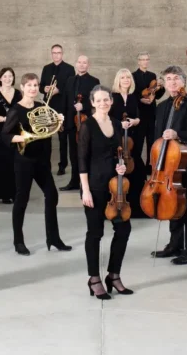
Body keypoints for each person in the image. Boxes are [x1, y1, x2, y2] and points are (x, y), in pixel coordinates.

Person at [2, 73, 71, 256]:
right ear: (23, 88)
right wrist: (25, 137)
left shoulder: (42, 106)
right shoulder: (15, 110)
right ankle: (18, 241)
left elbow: (50, 129)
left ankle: (53, 238)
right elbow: (5, 136)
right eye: (29, 85)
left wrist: (59, 122)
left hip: (42, 160)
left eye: (35, 85)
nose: (33, 88)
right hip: (24, 160)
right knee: (21, 200)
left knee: (52, 195)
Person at [78, 85, 133, 300]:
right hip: (94, 186)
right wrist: (85, 191)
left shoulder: (117, 124)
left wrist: (121, 167)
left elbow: (120, 154)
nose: (103, 103)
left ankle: (114, 275)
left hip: (116, 187)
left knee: (123, 230)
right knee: (95, 233)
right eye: (98, 100)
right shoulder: (87, 126)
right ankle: (94, 279)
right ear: (92, 102)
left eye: (106, 99)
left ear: (111, 101)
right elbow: (81, 160)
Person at [151, 66, 187, 265]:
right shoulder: (162, 106)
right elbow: (158, 137)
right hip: (167, 165)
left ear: (183, 81)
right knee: (171, 205)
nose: (172, 82)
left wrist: (178, 134)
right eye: (168, 79)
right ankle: (175, 245)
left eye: (175, 78)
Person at [109, 68, 147, 218]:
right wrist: (120, 124)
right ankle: (118, 205)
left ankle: (137, 207)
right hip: (117, 138)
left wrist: (134, 121)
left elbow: (138, 117)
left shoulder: (133, 97)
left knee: (138, 170)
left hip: (132, 140)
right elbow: (108, 117)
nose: (126, 80)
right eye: (123, 77)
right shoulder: (112, 97)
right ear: (118, 80)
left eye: (128, 78)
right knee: (118, 169)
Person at [60, 55, 100, 191]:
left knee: (86, 152)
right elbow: (65, 102)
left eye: (84, 63)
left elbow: (97, 101)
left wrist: (84, 107)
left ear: (88, 65)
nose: (82, 65)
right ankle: (74, 181)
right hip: (72, 123)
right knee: (73, 154)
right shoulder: (70, 80)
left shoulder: (94, 81)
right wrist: (62, 120)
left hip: (86, 123)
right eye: (79, 62)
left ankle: (88, 182)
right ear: (76, 64)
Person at [40, 44, 75, 175]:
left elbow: (70, 87)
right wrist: (45, 89)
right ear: (51, 54)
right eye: (54, 53)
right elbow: (41, 86)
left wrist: (58, 90)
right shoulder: (46, 68)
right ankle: (46, 165)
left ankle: (62, 165)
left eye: (58, 52)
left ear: (62, 54)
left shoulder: (70, 69)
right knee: (46, 137)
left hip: (63, 107)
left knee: (62, 138)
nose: (56, 55)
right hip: (48, 107)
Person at [0, 67, 22, 203]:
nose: (8, 79)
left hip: (15, 131)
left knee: (15, 163)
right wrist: (0, 119)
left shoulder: (18, 94)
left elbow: (22, 109)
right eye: (5, 76)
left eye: (10, 76)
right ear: (0, 78)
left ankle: (15, 193)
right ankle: (4, 194)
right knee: (1, 162)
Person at [132, 52, 165, 173]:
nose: (145, 61)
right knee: (138, 141)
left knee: (152, 141)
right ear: (138, 61)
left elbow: (157, 95)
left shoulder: (153, 75)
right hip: (139, 112)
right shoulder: (133, 76)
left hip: (151, 112)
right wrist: (139, 99)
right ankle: (137, 167)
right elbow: (131, 93)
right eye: (142, 59)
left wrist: (161, 87)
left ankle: (150, 167)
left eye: (147, 59)